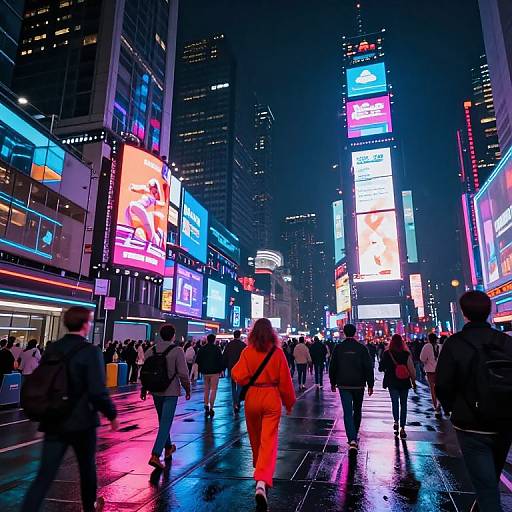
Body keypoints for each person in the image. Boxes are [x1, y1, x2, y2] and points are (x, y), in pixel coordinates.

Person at [21, 306, 118, 512]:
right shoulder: (91, 351)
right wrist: (111, 414)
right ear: (85, 324)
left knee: (44, 476)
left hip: (53, 417)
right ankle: (89, 508)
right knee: (87, 470)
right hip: (82, 421)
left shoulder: (53, 348)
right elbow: (97, 390)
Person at [437, 291, 512, 512]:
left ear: (464, 313)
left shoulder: (456, 343)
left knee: (486, 486)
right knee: (491, 478)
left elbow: (443, 385)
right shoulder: (505, 341)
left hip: (471, 424)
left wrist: (454, 409)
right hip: (505, 421)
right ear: (489, 311)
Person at [232, 318, 296, 510]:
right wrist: (289, 402)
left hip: (252, 398)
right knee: (269, 439)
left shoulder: (247, 352)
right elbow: (285, 380)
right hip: (271, 397)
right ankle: (262, 479)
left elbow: (238, 375)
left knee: (255, 437)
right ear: (271, 333)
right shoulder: (277, 353)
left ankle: (258, 467)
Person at [142, 324, 190, 470]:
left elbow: (146, 372)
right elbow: (183, 373)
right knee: (166, 421)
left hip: (155, 391)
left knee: (163, 420)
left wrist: (144, 389)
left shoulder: (151, 350)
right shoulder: (177, 351)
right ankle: (156, 454)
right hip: (170, 391)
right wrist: (187, 388)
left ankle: (168, 447)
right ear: (173, 335)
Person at [329, 324, 374, 452]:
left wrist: (333, 382)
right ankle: (354, 434)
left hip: (343, 384)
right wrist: (370, 384)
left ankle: (352, 438)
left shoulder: (339, 348)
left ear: (343, 332)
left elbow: (333, 366)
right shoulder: (361, 348)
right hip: (359, 384)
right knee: (357, 410)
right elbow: (368, 367)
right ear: (355, 332)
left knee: (347, 412)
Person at [379, 334, 417, 439]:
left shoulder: (387, 353)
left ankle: (396, 421)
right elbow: (411, 369)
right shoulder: (406, 354)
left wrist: (387, 368)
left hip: (392, 382)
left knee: (394, 402)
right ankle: (403, 428)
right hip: (404, 382)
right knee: (403, 404)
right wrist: (413, 381)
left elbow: (381, 367)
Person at [196, 333, 224, 418]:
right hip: (215, 372)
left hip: (205, 372)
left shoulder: (202, 349)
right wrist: (221, 370)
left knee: (206, 389)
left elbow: (198, 360)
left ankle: (206, 404)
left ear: (207, 339)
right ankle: (211, 407)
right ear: (214, 340)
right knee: (214, 389)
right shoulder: (217, 349)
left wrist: (200, 369)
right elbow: (220, 360)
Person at [223, 330, 246, 414]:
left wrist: (224, 366)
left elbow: (225, 356)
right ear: (240, 335)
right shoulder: (243, 345)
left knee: (233, 385)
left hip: (231, 367)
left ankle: (235, 402)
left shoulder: (229, 345)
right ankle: (238, 401)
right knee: (239, 385)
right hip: (240, 367)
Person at [420, 333, 442, 417]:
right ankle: (440, 403)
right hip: (440, 370)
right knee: (440, 388)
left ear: (429, 339)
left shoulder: (426, 346)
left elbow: (422, 358)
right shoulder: (440, 346)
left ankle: (436, 407)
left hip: (430, 371)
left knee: (433, 389)